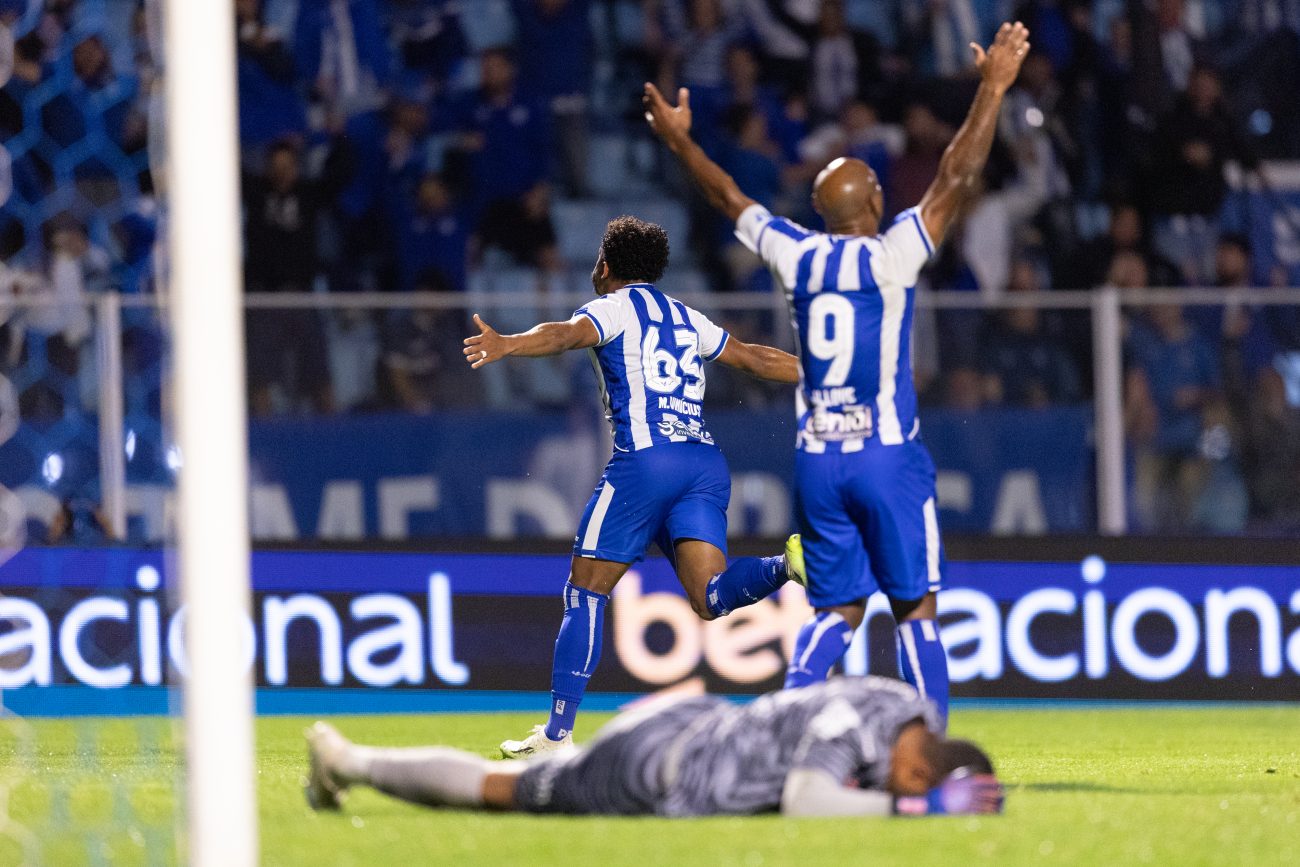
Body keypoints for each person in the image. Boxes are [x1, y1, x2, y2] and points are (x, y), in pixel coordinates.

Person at [643, 21, 1034, 724]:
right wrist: (994, 89)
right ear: (874, 203)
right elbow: (956, 175)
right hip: (885, 456)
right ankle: (932, 743)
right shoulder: (890, 257)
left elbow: (729, 196)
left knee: (839, 607)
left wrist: (679, 141)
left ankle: (780, 733)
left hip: (819, 460)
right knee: (915, 608)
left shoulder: (796, 254)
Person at [462, 215, 805, 758]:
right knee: (710, 598)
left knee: (585, 589)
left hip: (647, 463)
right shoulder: (687, 316)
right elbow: (753, 358)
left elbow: (566, 335)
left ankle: (556, 736)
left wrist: (508, 343)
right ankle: (789, 564)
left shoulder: (612, 307)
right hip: (704, 463)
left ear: (607, 265)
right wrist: (824, 373)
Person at [304, 676, 1005, 818]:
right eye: (907, 787)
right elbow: (805, 797)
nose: (895, 791)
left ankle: (351, 763)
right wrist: (916, 813)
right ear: (919, 767)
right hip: (656, 766)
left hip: (693, 715)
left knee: (532, 777)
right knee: (502, 791)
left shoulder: (894, 701)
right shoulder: (852, 727)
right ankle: (348, 760)